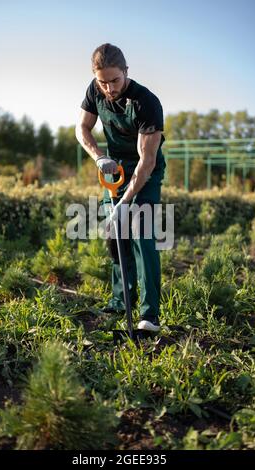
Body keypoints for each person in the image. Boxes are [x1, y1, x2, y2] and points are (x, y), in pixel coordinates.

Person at [75, 43, 166, 332]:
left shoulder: (146, 103)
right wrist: (100, 157)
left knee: (142, 235)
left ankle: (149, 315)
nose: (109, 88)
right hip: (114, 169)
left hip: (144, 171)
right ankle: (119, 301)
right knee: (116, 235)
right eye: (103, 82)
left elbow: (146, 162)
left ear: (126, 72)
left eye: (115, 80)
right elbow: (82, 128)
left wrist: (125, 203)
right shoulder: (95, 90)